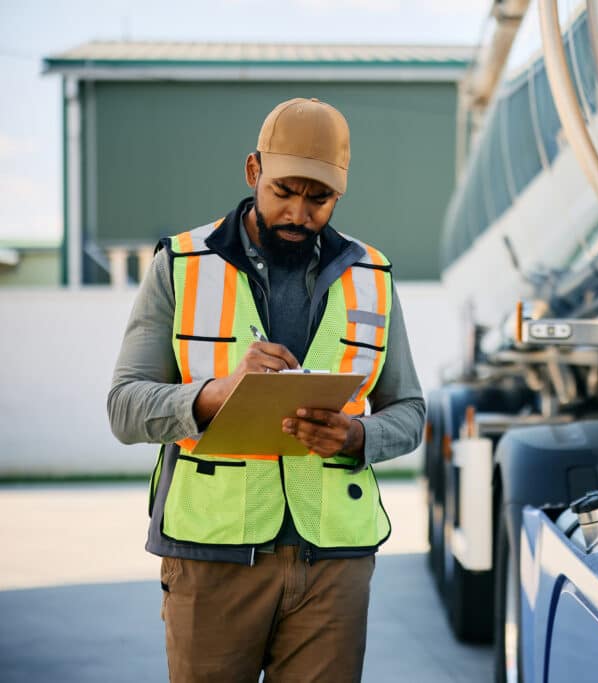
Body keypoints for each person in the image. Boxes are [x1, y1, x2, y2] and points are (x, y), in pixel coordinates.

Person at [107, 97, 425, 682]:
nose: (299, 213)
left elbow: (409, 412)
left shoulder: (372, 276)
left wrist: (358, 436)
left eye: (319, 198)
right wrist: (215, 394)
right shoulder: (180, 265)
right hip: (212, 557)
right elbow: (125, 408)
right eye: (283, 191)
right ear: (254, 171)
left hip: (334, 561)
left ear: (340, 194)